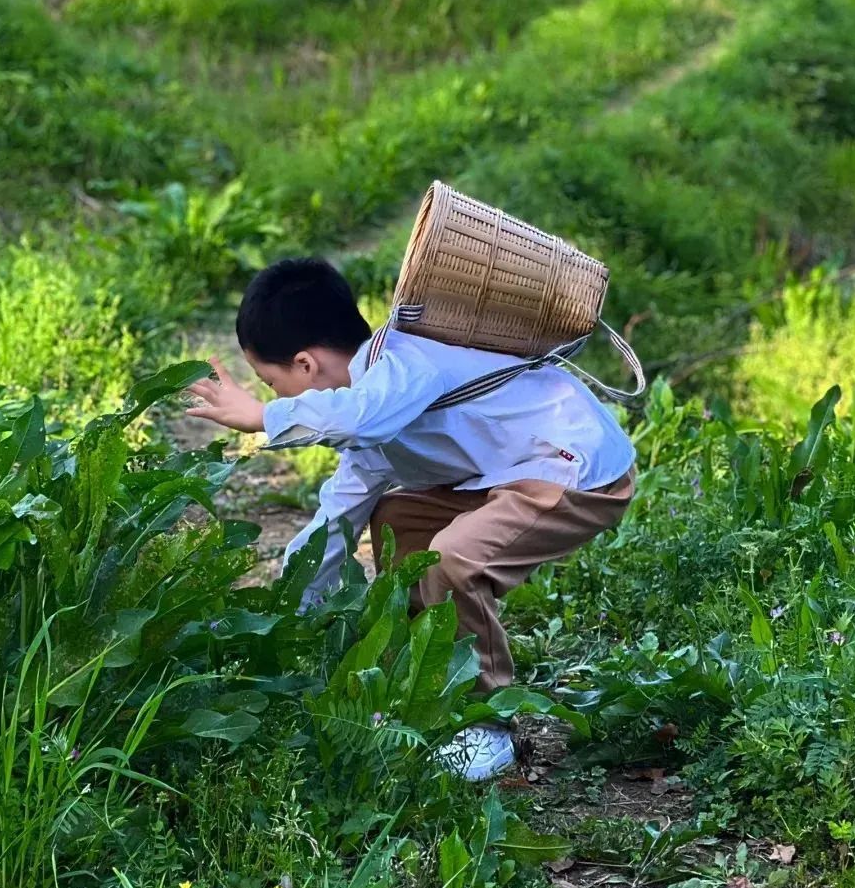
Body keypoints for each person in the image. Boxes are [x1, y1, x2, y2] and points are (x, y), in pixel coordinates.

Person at [186, 257, 637, 781]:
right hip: (508, 472)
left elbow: (360, 417)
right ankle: (427, 674)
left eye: (271, 383)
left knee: (454, 558)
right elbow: (331, 528)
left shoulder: (403, 363)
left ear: (306, 364)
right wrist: (279, 623)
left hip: (577, 468)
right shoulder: (370, 420)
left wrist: (264, 418)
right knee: (397, 518)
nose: (274, 396)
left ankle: (485, 721)